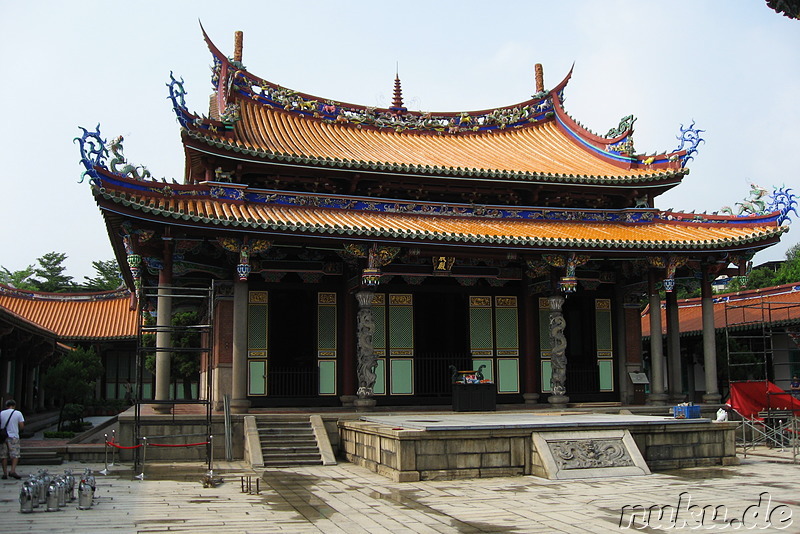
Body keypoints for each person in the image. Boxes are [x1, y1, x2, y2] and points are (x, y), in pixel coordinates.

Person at [0, 399, 24, 479]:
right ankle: (12, 470)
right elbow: (21, 425)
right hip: (14, 436)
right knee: (15, 454)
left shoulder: (2, 413)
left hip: (3, 436)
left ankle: (5, 473)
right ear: (14, 405)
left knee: (4, 455)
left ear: (6, 406)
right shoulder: (18, 413)